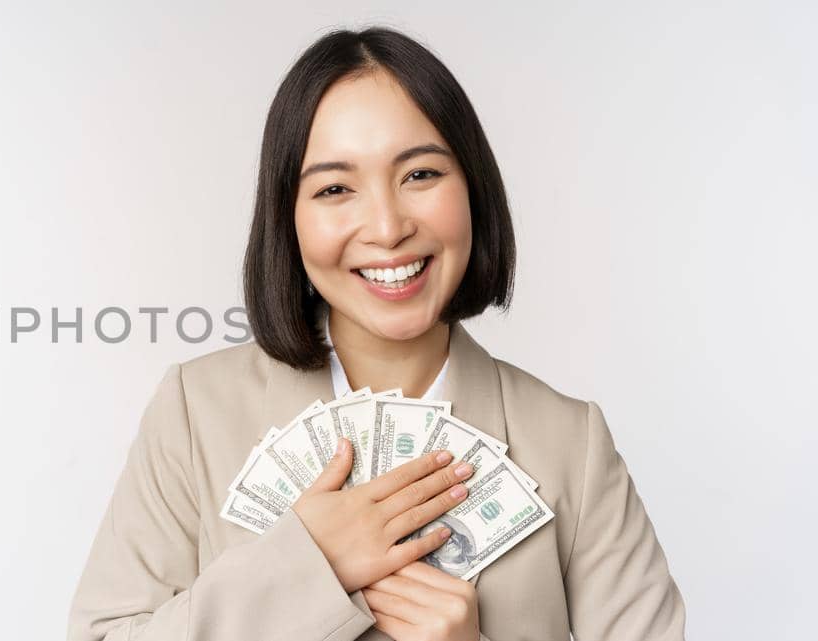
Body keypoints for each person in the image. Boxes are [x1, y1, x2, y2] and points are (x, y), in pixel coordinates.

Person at [66, 27, 685, 641]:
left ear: (473, 188)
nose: (387, 228)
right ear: (289, 218)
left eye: (420, 175)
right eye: (335, 188)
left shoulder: (570, 444)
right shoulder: (195, 412)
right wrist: (308, 567)